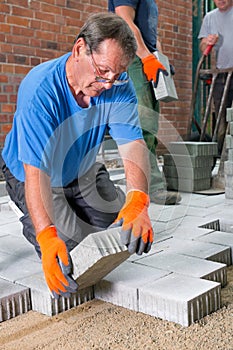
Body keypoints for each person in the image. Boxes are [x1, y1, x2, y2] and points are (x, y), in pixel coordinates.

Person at [0, 12, 154, 298]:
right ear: (80, 49)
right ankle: (26, 212)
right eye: (103, 70)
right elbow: (36, 173)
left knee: (120, 230)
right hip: (34, 174)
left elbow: (133, 144)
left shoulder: (118, 86)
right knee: (72, 255)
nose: (109, 83)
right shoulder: (41, 90)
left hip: (80, 168)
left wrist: (138, 201)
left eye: (118, 75)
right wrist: (46, 235)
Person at [108, 0, 182, 205]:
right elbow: (124, 20)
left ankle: (147, 184)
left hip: (143, 59)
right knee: (141, 125)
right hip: (132, 59)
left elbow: (149, 34)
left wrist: (159, 58)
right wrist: (146, 57)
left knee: (150, 124)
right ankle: (149, 188)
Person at [198, 0, 233, 156]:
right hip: (222, 73)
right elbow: (202, 46)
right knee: (221, 115)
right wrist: (208, 42)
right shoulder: (210, 17)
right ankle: (223, 154)